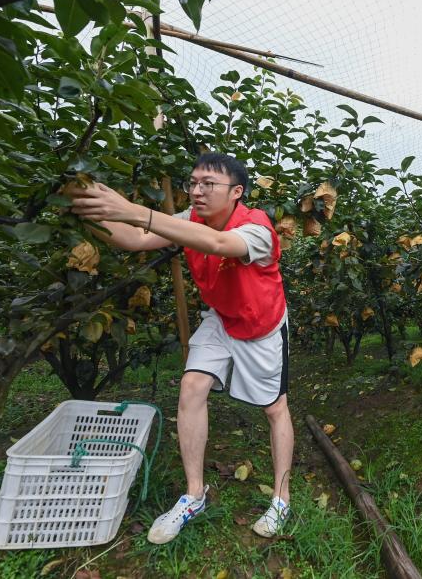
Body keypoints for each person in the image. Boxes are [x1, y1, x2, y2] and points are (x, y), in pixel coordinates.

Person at [69, 152, 293, 543]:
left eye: (209, 184)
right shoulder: (191, 218)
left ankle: (281, 498)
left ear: (237, 192)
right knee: (191, 387)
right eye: (193, 182)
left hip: (261, 325)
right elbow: (136, 239)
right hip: (221, 317)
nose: (197, 191)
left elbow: (220, 243)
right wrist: (90, 212)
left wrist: (134, 210)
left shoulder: (256, 226)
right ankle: (194, 495)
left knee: (275, 409)